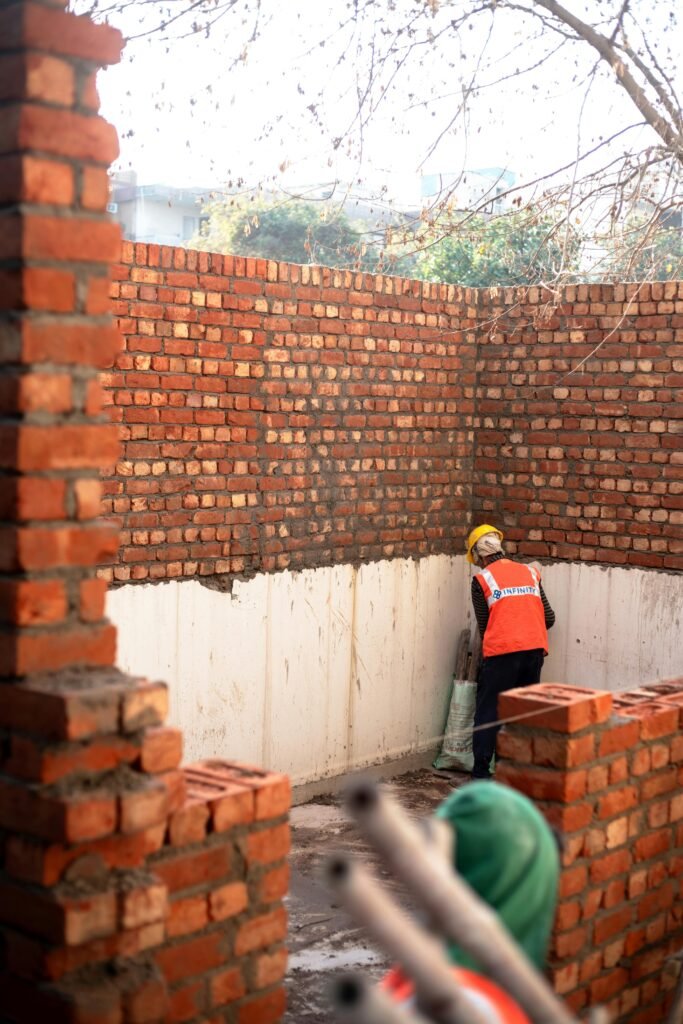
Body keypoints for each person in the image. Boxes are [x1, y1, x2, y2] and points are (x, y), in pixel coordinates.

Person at [466, 524, 555, 779]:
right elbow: (549, 618)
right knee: (522, 714)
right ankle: (516, 774)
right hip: (534, 651)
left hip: (502, 652)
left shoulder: (482, 579)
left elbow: (485, 627)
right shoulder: (530, 573)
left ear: (479, 556)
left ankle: (481, 776)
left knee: (489, 712)